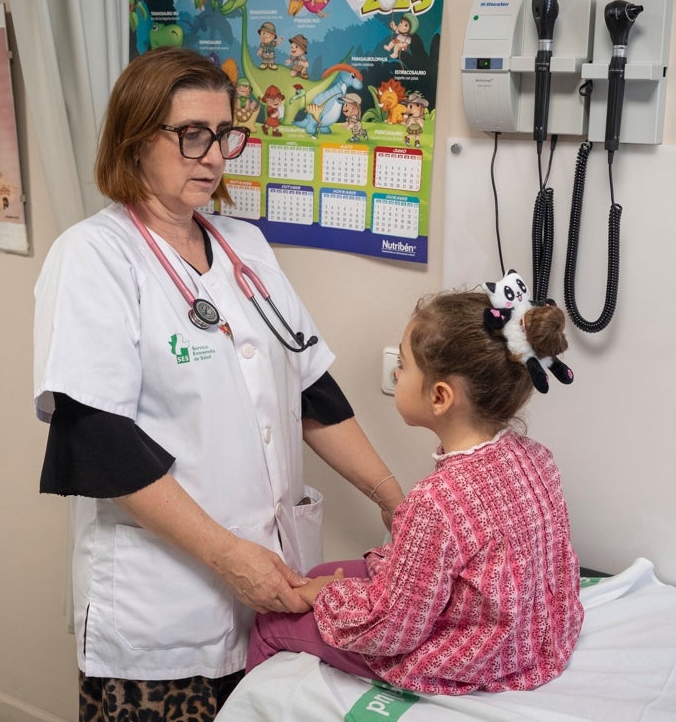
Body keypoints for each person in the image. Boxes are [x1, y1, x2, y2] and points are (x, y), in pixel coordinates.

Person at [32, 47, 402, 722]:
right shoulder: (93, 257)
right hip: (163, 601)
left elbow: (310, 387)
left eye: (224, 133)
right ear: (136, 138)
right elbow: (94, 440)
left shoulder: (245, 247)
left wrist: (393, 497)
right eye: (190, 134)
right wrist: (227, 556)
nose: (214, 156)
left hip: (270, 580)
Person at [246, 285, 584, 694]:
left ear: (440, 397)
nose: (395, 374)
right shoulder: (535, 458)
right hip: (531, 637)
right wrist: (330, 586)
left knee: (271, 622)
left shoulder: (435, 502)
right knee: (315, 576)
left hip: (478, 651)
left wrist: (330, 598)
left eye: (403, 366)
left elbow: (393, 630)